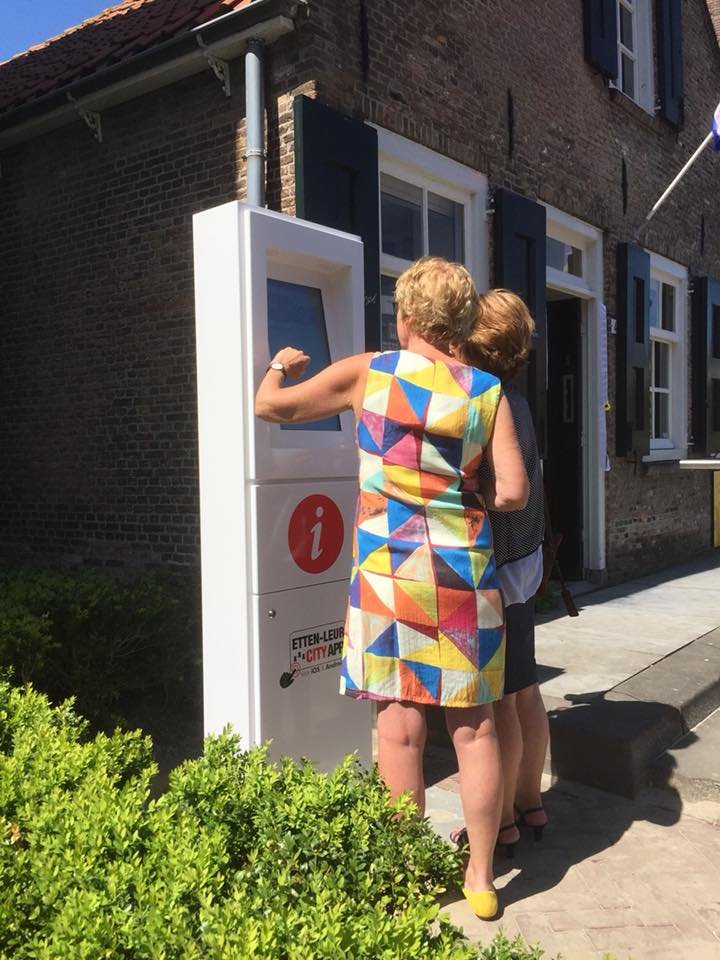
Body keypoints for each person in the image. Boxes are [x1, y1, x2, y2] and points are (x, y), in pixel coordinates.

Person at [255, 257, 529, 920]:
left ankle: (407, 876)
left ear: (406, 315)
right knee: (475, 730)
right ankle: (482, 878)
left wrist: (279, 366)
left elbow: (271, 408)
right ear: (461, 322)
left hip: (388, 575)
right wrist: (464, 491)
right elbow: (513, 494)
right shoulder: (486, 393)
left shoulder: (369, 372)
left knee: (400, 729)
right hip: (462, 576)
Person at [452, 288, 549, 859]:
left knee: (504, 699)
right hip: (526, 557)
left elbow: (505, 489)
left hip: (499, 561)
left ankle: (506, 819)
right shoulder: (519, 399)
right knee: (526, 688)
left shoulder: (487, 402)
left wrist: (467, 493)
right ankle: (530, 802)